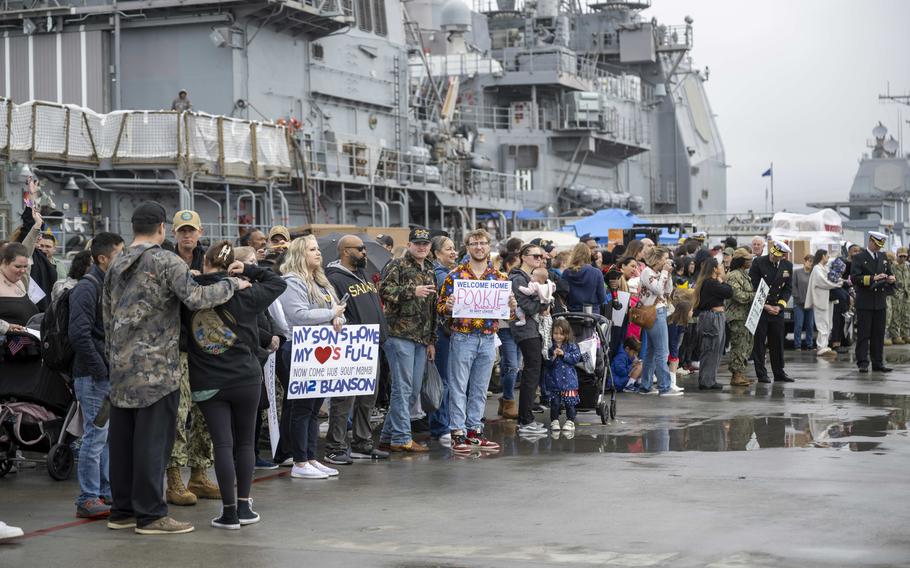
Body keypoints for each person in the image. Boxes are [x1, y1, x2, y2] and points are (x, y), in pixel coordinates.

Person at [104, 201, 248, 535]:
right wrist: (231, 285)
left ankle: (122, 511)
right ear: (162, 229)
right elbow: (196, 298)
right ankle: (152, 516)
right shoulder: (167, 260)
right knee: (154, 444)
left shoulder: (117, 262)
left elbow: (107, 315)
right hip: (157, 370)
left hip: (122, 368)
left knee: (123, 444)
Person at [182, 241, 286, 529]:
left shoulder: (191, 295)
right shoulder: (247, 293)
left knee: (222, 445)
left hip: (207, 381)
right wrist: (250, 270)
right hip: (245, 377)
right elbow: (277, 283)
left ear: (205, 263)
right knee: (244, 444)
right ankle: (244, 507)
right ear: (231, 267)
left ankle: (228, 513)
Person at [437, 229, 514, 453]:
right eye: (474, 243)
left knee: (480, 388)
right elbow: (440, 308)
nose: (479, 247)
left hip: (489, 338)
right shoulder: (455, 275)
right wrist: (448, 306)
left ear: (489, 246)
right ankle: (458, 433)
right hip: (462, 337)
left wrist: (512, 306)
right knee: (458, 387)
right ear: (468, 247)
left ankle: (474, 431)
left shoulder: (500, 278)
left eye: (482, 243)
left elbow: (507, 316)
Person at [278, 235, 347, 477]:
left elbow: (339, 310)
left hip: (321, 349)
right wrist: (330, 314)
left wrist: (338, 318)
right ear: (300, 254)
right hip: (299, 348)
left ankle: (310, 456)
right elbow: (297, 315)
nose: (318, 253)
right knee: (301, 407)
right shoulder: (291, 281)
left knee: (315, 407)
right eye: (312, 249)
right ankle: (299, 461)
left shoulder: (321, 281)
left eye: (318, 249)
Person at [69, 232, 124, 519]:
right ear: (103, 258)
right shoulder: (88, 289)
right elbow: (79, 335)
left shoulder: (107, 285)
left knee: (105, 438)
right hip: (93, 377)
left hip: (104, 374)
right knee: (94, 437)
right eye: (119, 253)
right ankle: (88, 497)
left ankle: (104, 491)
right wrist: (101, 370)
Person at [166, 209, 218, 507]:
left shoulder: (208, 259)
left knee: (205, 411)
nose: (187, 236)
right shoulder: (166, 260)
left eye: (191, 230)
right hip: (178, 347)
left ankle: (199, 472)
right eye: (182, 231)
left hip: (206, 349)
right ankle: (174, 476)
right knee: (178, 411)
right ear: (174, 233)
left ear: (199, 232)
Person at [323, 235, 390, 464]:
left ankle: (363, 442)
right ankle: (335, 446)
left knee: (367, 399)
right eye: (360, 249)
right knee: (344, 399)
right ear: (345, 251)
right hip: (351, 346)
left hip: (372, 344)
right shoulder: (334, 279)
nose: (364, 253)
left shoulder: (362, 274)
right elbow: (335, 312)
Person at [377, 227, 437, 452]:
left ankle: (387, 436)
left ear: (430, 246)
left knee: (412, 390)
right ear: (410, 244)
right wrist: (413, 290)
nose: (422, 247)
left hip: (421, 337)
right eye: (417, 243)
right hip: (399, 333)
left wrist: (432, 339)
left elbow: (432, 307)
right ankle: (402, 437)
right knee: (402, 388)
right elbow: (384, 291)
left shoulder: (430, 268)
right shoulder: (397, 265)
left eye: (425, 243)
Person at [511, 243, 549, 434]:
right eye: (536, 256)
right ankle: (525, 420)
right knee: (531, 371)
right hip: (525, 330)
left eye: (541, 257)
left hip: (531, 329)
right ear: (523, 256)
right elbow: (528, 306)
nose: (540, 259)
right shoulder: (518, 278)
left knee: (533, 370)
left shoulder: (528, 278)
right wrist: (544, 302)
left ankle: (526, 418)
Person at [637, 247, 682, 396]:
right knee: (662, 351)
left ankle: (646, 385)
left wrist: (667, 274)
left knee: (650, 352)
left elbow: (667, 291)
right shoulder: (647, 272)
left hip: (657, 312)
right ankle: (664, 387)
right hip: (654, 313)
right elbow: (657, 289)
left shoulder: (657, 273)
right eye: (664, 258)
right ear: (657, 259)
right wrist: (664, 272)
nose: (666, 261)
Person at [750, 240, 794, 383]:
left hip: (776, 309)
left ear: (783, 256)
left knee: (777, 342)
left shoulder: (787, 266)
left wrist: (780, 306)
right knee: (759, 343)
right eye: (772, 255)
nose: (773, 258)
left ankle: (779, 372)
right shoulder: (758, 263)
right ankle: (761, 374)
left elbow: (787, 289)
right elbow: (754, 286)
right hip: (762, 308)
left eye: (777, 256)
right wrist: (765, 306)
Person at [429, 236, 460, 438]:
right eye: (449, 249)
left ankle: (444, 422)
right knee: (444, 381)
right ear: (437, 253)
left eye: (454, 248)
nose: (454, 252)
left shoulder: (448, 273)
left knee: (447, 380)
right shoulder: (442, 276)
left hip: (446, 332)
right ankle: (441, 426)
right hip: (442, 333)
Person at [851, 231, 895, 373]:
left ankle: (878, 362)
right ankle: (863, 362)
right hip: (865, 300)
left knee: (878, 334)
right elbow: (855, 278)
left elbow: (889, 272)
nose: (878, 248)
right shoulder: (859, 257)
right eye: (876, 245)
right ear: (870, 241)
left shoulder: (883, 257)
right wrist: (873, 278)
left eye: (880, 245)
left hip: (880, 301)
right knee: (864, 334)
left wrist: (890, 278)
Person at [692, 258, 731, 391]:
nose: (722, 267)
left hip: (714, 317)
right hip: (712, 318)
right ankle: (706, 381)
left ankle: (709, 379)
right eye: (719, 265)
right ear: (714, 269)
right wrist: (721, 279)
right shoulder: (711, 283)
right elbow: (728, 292)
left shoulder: (707, 282)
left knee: (716, 349)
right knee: (711, 348)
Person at [495, 248, 521, 420]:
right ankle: (509, 399)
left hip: (518, 326)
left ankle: (505, 399)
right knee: (512, 365)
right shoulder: (500, 278)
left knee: (509, 364)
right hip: (505, 327)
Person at [543, 319, 582, 431]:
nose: (558, 336)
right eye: (556, 333)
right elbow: (547, 363)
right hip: (554, 380)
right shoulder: (550, 346)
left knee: (570, 402)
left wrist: (564, 354)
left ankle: (570, 421)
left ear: (566, 334)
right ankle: (554, 420)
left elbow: (576, 358)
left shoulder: (571, 345)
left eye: (561, 334)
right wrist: (553, 356)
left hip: (569, 381)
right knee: (555, 403)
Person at [725, 248, 755, 386]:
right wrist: (754, 296)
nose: (751, 261)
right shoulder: (734, 275)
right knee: (738, 345)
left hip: (746, 315)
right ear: (741, 261)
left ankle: (741, 373)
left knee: (746, 345)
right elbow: (739, 296)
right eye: (748, 259)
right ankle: (736, 374)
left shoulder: (744, 275)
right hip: (737, 316)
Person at [806, 250, 843, 357]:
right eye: (827, 256)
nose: (828, 258)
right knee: (822, 323)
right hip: (820, 300)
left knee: (828, 324)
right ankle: (821, 347)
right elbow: (824, 282)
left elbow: (832, 278)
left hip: (828, 299)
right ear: (823, 256)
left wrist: (840, 281)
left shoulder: (825, 268)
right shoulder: (817, 269)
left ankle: (825, 345)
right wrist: (837, 284)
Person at [561, 243, 606, 312]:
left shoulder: (566, 273)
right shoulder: (597, 273)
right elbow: (602, 298)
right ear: (588, 255)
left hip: (572, 315)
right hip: (593, 316)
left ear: (573, 255)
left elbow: (563, 296)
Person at [791, 255, 815, 351]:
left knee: (810, 325)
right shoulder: (797, 272)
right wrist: (797, 297)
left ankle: (809, 345)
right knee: (799, 325)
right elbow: (793, 286)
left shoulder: (813, 274)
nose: (810, 263)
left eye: (812, 262)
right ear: (804, 262)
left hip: (810, 303)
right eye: (809, 261)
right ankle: (797, 345)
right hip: (799, 303)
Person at [887, 247, 910, 344]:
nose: (903, 258)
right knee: (895, 315)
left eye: (905, 256)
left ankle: (905, 334)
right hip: (896, 293)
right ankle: (895, 335)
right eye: (901, 256)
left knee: (906, 315)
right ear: (897, 255)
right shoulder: (893, 266)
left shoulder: (907, 266)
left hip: (906, 293)